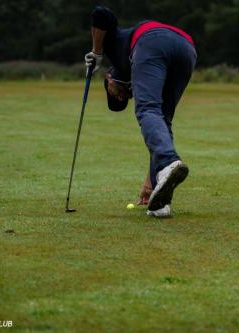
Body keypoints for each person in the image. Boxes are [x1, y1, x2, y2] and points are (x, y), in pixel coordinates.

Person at [85, 6, 197, 217]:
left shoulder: (115, 52)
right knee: (162, 121)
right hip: (186, 47)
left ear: (109, 79)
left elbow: (101, 14)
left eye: (115, 95)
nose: (121, 97)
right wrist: (150, 184)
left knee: (147, 109)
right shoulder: (134, 67)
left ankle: (167, 162)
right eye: (123, 99)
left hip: (151, 39)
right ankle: (159, 201)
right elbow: (158, 132)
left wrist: (97, 52)